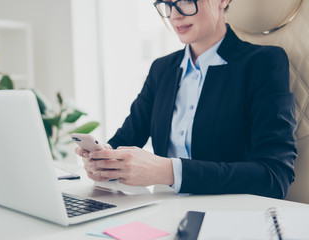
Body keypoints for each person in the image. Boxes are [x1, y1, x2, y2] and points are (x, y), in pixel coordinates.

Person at [75, 0, 297, 199]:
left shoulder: (264, 63)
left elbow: (275, 176)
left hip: (228, 214)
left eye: (185, 1)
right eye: (167, 4)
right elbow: (127, 137)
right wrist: (104, 161)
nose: (174, 15)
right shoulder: (162, 69)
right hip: (163, 208)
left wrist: (167, 171)